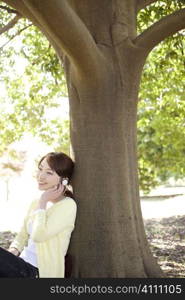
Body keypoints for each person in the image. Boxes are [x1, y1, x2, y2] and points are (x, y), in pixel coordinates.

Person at [0, 152, 77, 278]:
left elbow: (38, 236)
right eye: (40, 169)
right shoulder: (35, 203)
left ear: (64, 181)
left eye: (49, 173)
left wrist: (43, 203)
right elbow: (21, 236)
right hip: (21, 266)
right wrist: (10, 257)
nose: (41, 176)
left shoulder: (67, 206)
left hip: (38, 273)